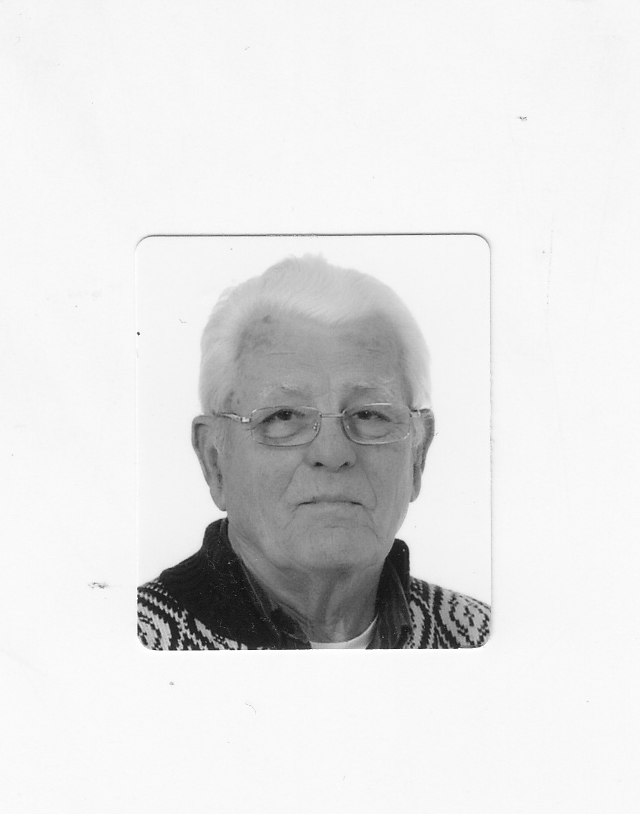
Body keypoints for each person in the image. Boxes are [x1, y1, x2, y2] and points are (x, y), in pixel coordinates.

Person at [138, 255, 490, 650]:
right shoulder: (128, 646)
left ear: (417, 456)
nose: (333, 452)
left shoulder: (482, 639)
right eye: (284, 416)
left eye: (369, 414)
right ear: (214, 461)